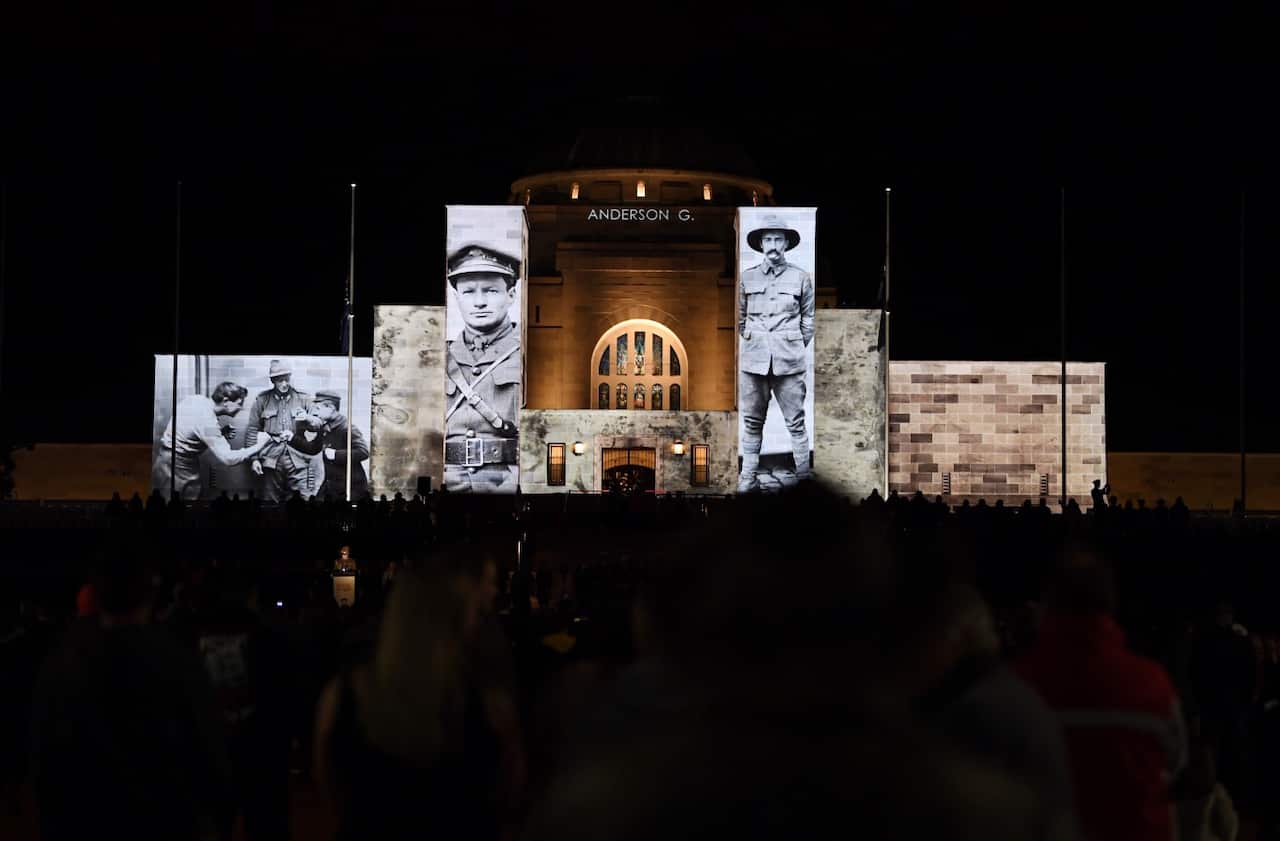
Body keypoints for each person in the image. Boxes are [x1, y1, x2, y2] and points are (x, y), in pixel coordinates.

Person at [737, 214, 815, 492]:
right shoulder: (746, 278)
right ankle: (748, 477)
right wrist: (755, 340)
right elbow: (740, 318)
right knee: (752, 421)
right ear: (760, 244)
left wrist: (791, 343)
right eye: (768, 239)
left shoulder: (801, 277)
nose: (773, 244)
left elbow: (808, 319)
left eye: (778, 239)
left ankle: (804, 476)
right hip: (753, 362)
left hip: (789, 362)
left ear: (786, 244)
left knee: (796, 422)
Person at [444, 245, 521, 493]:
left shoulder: (529, 351)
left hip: (506, 483)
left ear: (511, 294)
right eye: (468, 292)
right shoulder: (438, 356)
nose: (479, 302)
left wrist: (517, 484)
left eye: (490, 291)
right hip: (447, 482)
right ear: (456, 297)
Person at [153, 381, 279, 500]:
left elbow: (190, 433)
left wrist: (220, 433)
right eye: (239, 403)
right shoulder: (208, 421)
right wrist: (259, 445)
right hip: (176, 468)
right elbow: (228, 458)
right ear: (226, 401)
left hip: (165, 460)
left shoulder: (197, 400)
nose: (241, 408)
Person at [245, 359, 314, 502]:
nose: (284, 384)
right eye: (279, 380)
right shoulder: (262, 400)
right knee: (270, 501)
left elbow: (317, 426)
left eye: (286, 379)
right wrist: (254, 459)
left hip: (298, 457)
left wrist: (307, 418)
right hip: (271, 458)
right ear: (273, 380)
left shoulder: (303, 398)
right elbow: (252, 430)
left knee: (302, 501)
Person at [286, 389, 370, 501]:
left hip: (351, 486)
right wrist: (292, 438)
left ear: (330, 408)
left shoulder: (347, 427)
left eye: (317, 408)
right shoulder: (325, 427)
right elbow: (313, 448)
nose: (314, 413)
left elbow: (363, 452)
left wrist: (336, 454)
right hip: (331, 484)